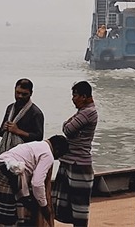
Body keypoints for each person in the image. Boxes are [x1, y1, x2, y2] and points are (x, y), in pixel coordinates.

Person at [0, 136, 70, 227]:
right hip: (2, 177)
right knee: (3, 216)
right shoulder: (48, 154)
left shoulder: (36, 145)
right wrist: (44, 206)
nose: (57, 158)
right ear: (57, 150)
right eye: (59, 155)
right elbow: (37, 184)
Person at [53, 81, 98, 227]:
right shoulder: (83, 111)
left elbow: (67, 129)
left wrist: (67, 122)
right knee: (67, 202)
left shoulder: (88, 112)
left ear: (84, 96)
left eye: (75, 95)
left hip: (79, 163)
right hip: (70, 162)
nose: (73, 99)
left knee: (79, 205)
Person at [0, 79, 45, 154]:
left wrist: (18, 131)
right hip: (7, 152)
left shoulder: (35, 113)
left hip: (25, 154)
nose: (20, 96)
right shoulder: (10, 108)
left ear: (31, 93)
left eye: (24, 94)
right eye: (18, 93)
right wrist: (4, 128)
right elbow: (0, 133)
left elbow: (39, 138)